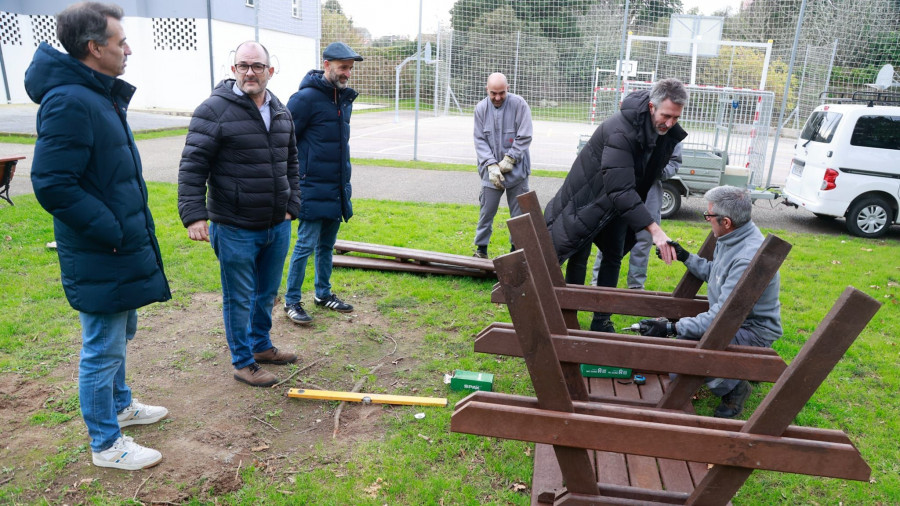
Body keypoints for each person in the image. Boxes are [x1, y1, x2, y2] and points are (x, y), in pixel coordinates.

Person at [26, 2, 171, 471]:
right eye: (119, 42)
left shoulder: (96, 93)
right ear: (94, 48)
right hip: (101, 246)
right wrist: (111, 228)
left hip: (117, 243)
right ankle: (106, 444)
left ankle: (122, 406)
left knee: (119, 331)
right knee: (103, 344)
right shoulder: (70, 99)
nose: (127, 49)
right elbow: (51, 183)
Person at [178, 41, 301, 387]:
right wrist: (193, 215)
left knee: (266, 293)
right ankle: (243, 361)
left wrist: (293, 206)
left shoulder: (280, 110)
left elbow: (291, 161)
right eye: (243, 65)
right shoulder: (213, 110)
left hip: (277, 224)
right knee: (240, 297)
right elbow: (192, 166)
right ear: (233, 70)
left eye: (257, 66)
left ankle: (261, 347)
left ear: (270, 71)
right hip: (234, 226)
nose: (250, 72)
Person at [544, 78, 688, 332]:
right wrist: (655, 230)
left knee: (613, 255)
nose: (670, 123)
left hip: (616, 204)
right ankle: (569, 316)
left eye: (676, 118)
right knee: (579, 251)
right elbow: (620, 188)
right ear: (652, 107)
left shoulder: (659, 130)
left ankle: (601, 321)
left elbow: (638, 180)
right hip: (588, 198)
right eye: (666, 116)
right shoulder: (620, 130)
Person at [638, 185, 782, 418]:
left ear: (726, 222)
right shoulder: (734, 236)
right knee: (685, 347)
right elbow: (715, 272)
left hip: (752, 330)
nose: (707, 220)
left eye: (709, 216)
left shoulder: (747, 257)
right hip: (732, 319)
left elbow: (720, 319)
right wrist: (685, 256)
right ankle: (696, 379)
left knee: (692, 341)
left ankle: (734, 389)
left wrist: (671, 327)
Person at [283, 42, 362, 325]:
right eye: (343, 68)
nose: (347, 74)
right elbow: (283, 142)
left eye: (350, 69)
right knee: (304, 245)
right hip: (311, 188)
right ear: (326, 65)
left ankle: (323, 293)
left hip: (336, 187)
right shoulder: (304, 99)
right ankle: (291, 300)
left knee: (327, 246)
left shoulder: (341, 99)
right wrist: (292, 184)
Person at [591, 143, 682, 289]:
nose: (669, 122)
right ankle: (597, 282)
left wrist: (656, 171)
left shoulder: (672, 137)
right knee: (609, 238)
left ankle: (636, 286)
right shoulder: (633, 128)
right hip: (623, 188)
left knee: (643, 241)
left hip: (650, 194)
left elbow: (674, 163)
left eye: (673, 118)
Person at [472, 72, 533, 258]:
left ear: (508, 89)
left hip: (517, 171)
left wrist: (510, 158)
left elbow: (525, 134)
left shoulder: (519, 104)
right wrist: (491, 165)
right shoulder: (481, 109)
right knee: (486, 212)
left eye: (501, 93)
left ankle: (516, 252)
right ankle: (481, 250)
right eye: (493, 93)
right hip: (491, 173)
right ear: (487, 90)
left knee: (519, 216)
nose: (497, 98)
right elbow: (480, 140)